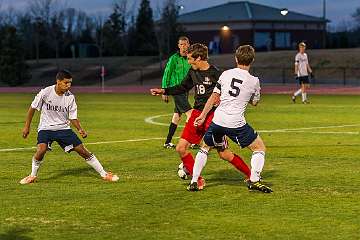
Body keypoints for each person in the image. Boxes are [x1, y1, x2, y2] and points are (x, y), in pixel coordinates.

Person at [151, 43, 250, 190]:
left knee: (224, 154)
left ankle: (251, 175)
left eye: (190, 59)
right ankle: (198, 179)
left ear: (198, 58)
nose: (188, 61)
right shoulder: (192, 71)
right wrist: (163, 91)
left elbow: (228, 94)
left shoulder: (217, 74)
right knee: (180, 148)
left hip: (214, 117)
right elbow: (182, 87)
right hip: (197, 114)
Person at [192, 45, 273, 193]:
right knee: (259, 148)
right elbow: (255, 103)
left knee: (205, 147)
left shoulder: (225, 74)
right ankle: (254, 180)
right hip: (236, 123)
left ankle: (193, 181)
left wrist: (203, 116)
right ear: (252, 60)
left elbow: (214, 97)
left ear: (236, 58)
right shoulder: (254, 80)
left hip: (218, 120)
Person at [20, 70, 119, 184]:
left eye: (70, 83)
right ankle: (32, 176)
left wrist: (80, 129)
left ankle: (104, 174)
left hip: (63, 129)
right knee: (41, 150)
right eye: (66, 83)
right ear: (58, 81)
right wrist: (27, 127)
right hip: (46, 128)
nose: (69, 85)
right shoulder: (45, 92)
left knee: (83, 151)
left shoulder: (70, 97)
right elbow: (32, 108)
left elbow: (72, 117)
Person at [161, 36, 193, 149]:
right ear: (178, 46)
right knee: (191, 115)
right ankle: (191, 141)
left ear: (189, 45)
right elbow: (167, 74)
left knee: (177, 116)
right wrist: (164, 91)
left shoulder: (190, 58)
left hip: (185, 90)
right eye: (181, 44)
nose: (184, 47)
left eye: (185, 44)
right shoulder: (174, 58)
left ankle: (167, 142)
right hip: (176, 90)